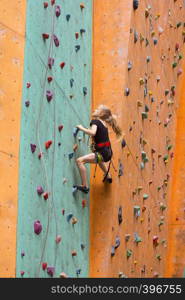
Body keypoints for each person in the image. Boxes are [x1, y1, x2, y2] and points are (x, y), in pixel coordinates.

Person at [73, 105, 122, 194]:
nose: (95, 109)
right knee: (100, 161)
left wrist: (81, 128)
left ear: (101, 113)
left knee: (80, 161)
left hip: (102, 153)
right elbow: (98, 134)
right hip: (108, 153)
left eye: (98, 109)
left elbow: (93, 132)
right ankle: (108, 175)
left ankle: (84, 186)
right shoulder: (103, 124)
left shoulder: (95, 121)